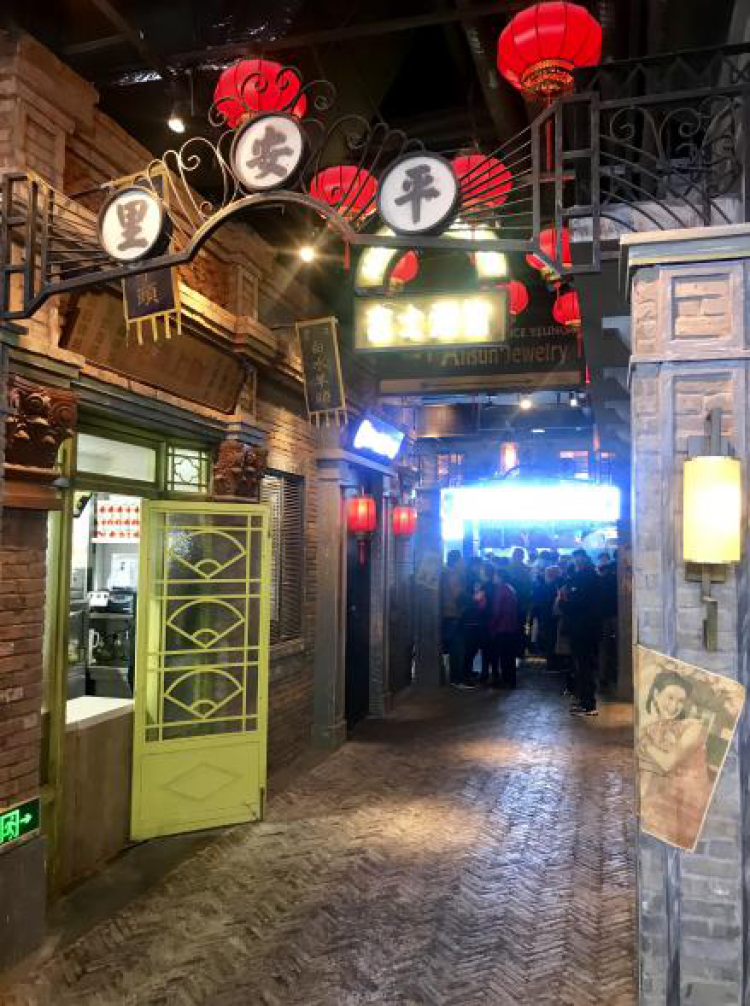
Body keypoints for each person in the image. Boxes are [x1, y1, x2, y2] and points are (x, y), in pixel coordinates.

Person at [638, 669, 711, 849]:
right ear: (656, 694)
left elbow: (668, 763)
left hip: (688, 806)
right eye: (670, 697)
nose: (674, 706)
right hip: (661, 803)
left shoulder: (694, 727)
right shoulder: (652, 728)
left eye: (680, 701)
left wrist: (646, 745)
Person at [559, 550, 602, 716]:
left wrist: (563, 601)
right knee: (583, 666)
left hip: (582, 628)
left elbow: (577, 603)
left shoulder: (586, 577)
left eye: (578, 559)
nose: (576, 562)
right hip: (585, 628)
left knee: (584, 666)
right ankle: (584, 700)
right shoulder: (589, 576)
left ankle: (588, 705)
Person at [486, 565, 519, 688]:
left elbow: (497, 611)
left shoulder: (500, 590)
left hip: (502, 627)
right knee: (509, 656)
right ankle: (511, 681)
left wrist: (491, 625)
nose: (493, 577)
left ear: (500, 577)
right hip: (511, 627)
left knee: (503, 656)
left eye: (495, 575)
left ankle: (505, 681)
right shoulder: (510, 588)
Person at [456, 570, 488, 690]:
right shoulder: (467, 596)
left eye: (479, 585)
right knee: (469, 652)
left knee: (472, 652)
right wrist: (475, 599)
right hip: (469, 627)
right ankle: (466, 677)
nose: (478, 586)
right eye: (476, 584)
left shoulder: (475, 595)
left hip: (475, 627)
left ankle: (469, 674)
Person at [440, 550, 466, 687]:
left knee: (450, 649)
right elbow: (458, 596)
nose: (463, 563)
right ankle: (456, 679)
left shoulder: (445, 573)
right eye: (461, 561)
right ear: (456, 562)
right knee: (457, 649)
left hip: (447, 615)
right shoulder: (452, 575)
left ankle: (452, 678)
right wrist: (474, 599)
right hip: (453, 615)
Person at [533, 564, 562, 671]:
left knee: (549, 639)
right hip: (551, 617)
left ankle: (550, 662)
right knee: (552, 640)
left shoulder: (542, 586)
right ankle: (551, 663)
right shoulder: (555, 587)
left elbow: (538, 603)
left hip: (545, 616)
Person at [597, 552, 618, 689]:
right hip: (613, 615)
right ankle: (608, 675)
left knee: (604, 648)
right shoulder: (616, 575)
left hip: (607, 615)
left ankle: (604, 676)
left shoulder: (600, 577)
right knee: (612, 646)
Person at [507, 546, 533, 658]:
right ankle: (519, 651)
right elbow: (530, 586)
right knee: (520, 626)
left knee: (513, 626)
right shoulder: (526, 569)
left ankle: (513, 650)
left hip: (513, 602)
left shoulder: (509, 568)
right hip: (522, 602)